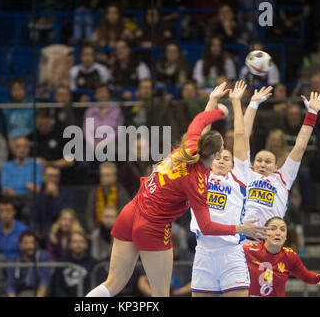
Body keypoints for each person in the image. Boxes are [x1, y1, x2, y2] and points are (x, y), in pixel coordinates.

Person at [86, 82, 268, 297]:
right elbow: (207, 227)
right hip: (152, 226)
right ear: (217, 155)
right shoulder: (197, 182)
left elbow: (200, 121)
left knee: (113, 283)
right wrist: (241, 229)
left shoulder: (188, 147)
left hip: (129, 213)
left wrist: (216, 105)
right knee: (161, 294)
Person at [189, 81, 262, 297]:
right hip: (202, 253)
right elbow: (202, 137)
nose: (221, 159)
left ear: (233, 164)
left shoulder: (239, 177)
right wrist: (212, 100)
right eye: (218, 156)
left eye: (226, 157)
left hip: (230, 254)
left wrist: (236, 102)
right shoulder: (201, 173)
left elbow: (240, 137)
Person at [243, 90, 320, 227]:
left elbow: (299, 147)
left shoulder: (282, 178)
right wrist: (253, 103)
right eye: (259, 160)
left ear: (276, 167)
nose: (263, 164)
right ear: (253, 163)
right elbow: (243, 136)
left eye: (268, 161)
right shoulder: (246, 173)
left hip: (270, 239)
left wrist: (312, 113)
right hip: (243, 239)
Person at [243, 217, 320, 297]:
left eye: (282, 230)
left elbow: (306, 275)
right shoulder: (247, 250)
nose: (278, 233)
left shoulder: (289, 256)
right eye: (273, 229)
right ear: (264, 233)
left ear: (285, 237)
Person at [0, 136, 42, 223]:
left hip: (29, 199)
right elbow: (5, 188)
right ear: (13, 149)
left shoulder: (36, 165)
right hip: (12, 199)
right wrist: (26, 186)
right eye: (18, 146)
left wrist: (16, 188)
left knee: (30, 208)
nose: (22, 150)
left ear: (29, 149)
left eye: (25, 146)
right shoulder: (6, 167)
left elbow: (37, 188)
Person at [29, 165, 75, 239]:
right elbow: (34, 216)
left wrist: (56, 196)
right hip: (41, 232)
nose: (53, 179)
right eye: (50, 176)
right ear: (43, 177)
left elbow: (68, 214)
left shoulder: (67, 193)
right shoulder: (38, 193)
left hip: (60, 232)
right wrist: (35, 231)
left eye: (56, 176)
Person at [85, 161, 130, 233]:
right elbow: (89, 216)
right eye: (102, 175)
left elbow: (124, 217)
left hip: (118, 231)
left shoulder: (122, 193)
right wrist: (95, 232)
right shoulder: (94, 193)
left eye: (108, 175)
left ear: (115, 176)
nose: (104, 178)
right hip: (98, 232)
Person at [6, 230, 54, 297]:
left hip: (39, 293)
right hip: (20, 293)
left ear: (37, 244)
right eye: (26, 243)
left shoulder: (44, 257)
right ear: (20, 245)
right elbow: (11, 284)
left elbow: (45, 279)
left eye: (32, 242)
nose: (30, 246)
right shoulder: (14, 261)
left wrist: (40, 294)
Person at [50, 231, 98, 297]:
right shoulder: (62, 262)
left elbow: (96, 287)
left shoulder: (94, 263)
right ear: (69, 245)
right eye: (75, 241)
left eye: (81, 241)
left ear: (86, 244)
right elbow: (57, 287)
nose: (78, 245)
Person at [82, 84, 124, 158]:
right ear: (95, 95)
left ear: (109, 94)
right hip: (92, 146)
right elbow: (86, 131)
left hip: (111, 145)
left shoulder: (116, 110)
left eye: (104, 92)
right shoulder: (90, 111)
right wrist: (94, 144)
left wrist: (103, 144)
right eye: (99, 92)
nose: (102, 94)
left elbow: (119, 131)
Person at [2, 77, 34, 143]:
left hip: (31, 141)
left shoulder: (34, 105)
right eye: (15, 89)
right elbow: (6, 130)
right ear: (10, 92)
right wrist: (10, 144)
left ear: (25, 90)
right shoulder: (6, 108)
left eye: (21, 89)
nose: (18, 92)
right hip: (12, 142)